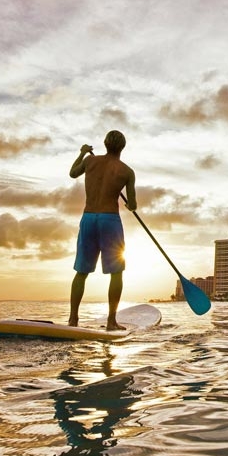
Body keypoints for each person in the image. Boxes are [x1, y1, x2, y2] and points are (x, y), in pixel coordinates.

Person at [68, 130, 137, 330]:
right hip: (110, 220)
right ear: (122, 147)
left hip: (89, 218)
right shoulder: (127, 172)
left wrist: (82, 153)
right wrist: (131, 205)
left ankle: (73, 320)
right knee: (116, 273)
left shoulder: (90, 162)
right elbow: (132, 205)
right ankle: (111, 321)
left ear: (105, 144)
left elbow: (73, 173)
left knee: (81, 272)